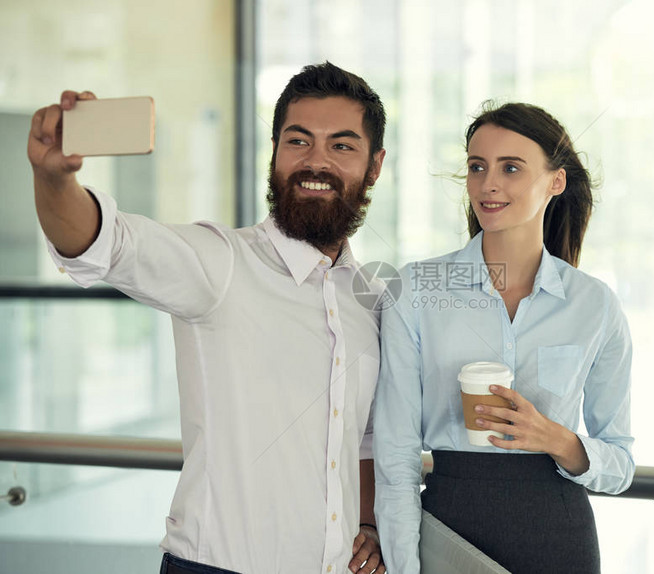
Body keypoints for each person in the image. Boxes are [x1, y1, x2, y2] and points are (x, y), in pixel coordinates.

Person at [28, 62, 387, 574]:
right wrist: (54, 177)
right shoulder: (220, 264)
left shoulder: (369, 299)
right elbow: (104, 242)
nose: (316, 162)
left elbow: (364, 437)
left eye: (342, 146)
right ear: (274, 153)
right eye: (298, 141)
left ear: (374, 166)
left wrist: (368, 523)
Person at [373, 102, 634, 573]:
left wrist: (555, 439)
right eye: (477, 167)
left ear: (556, 181)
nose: (488, 183)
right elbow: (395, 456)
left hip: (560, 536)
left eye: (510, 168)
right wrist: (403, 567)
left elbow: (620, 462)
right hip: (451, 526)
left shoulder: (593, 305)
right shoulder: (414, 290)